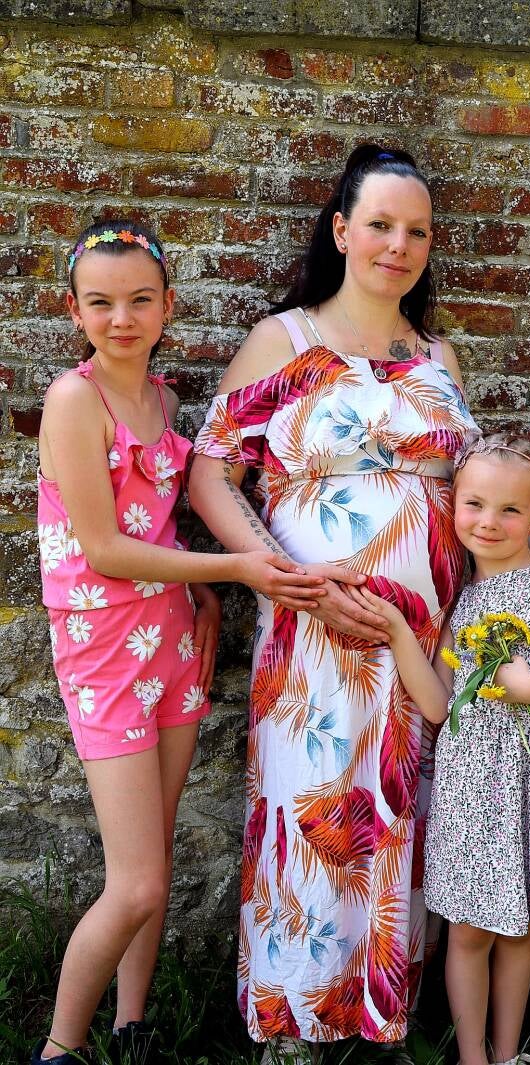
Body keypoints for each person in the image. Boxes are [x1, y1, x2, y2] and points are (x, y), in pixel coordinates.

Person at [188, 144, 483, 1060]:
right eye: (381, 225)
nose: (399, 245)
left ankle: (378, 1011)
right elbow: (211, 471)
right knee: (309, 811)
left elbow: (476, 494)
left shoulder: (438, 356)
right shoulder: (286, 341)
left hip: (421, 639)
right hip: (312, 629)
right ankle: (291, 1022)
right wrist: (281, 573)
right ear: (342, 230)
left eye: (417, 231)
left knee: (397, 809)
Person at [32, 220, 332, 1065]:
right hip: (103, 656)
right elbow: (104, 548)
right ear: (74, 311)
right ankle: (57, 1048)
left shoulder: (164, 403)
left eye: (139, 300)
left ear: (168, 304)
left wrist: (199, 591)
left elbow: (156, 524)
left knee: (156, 857)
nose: (121, 318)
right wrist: (233, 567)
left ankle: (132, 1027)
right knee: (136, 883)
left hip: (169, 643)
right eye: (100, 303)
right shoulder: (74, 402)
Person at [349, 433, 530, 1065]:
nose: (489, 522)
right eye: (474, 504)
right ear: (454, 507)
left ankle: (505, 1053)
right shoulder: (461, 602)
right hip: (470, 784)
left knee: (516, 930)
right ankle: (472, 1056)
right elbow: (439, 705)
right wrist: (398, 631)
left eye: (510, 510)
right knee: (468, 931)